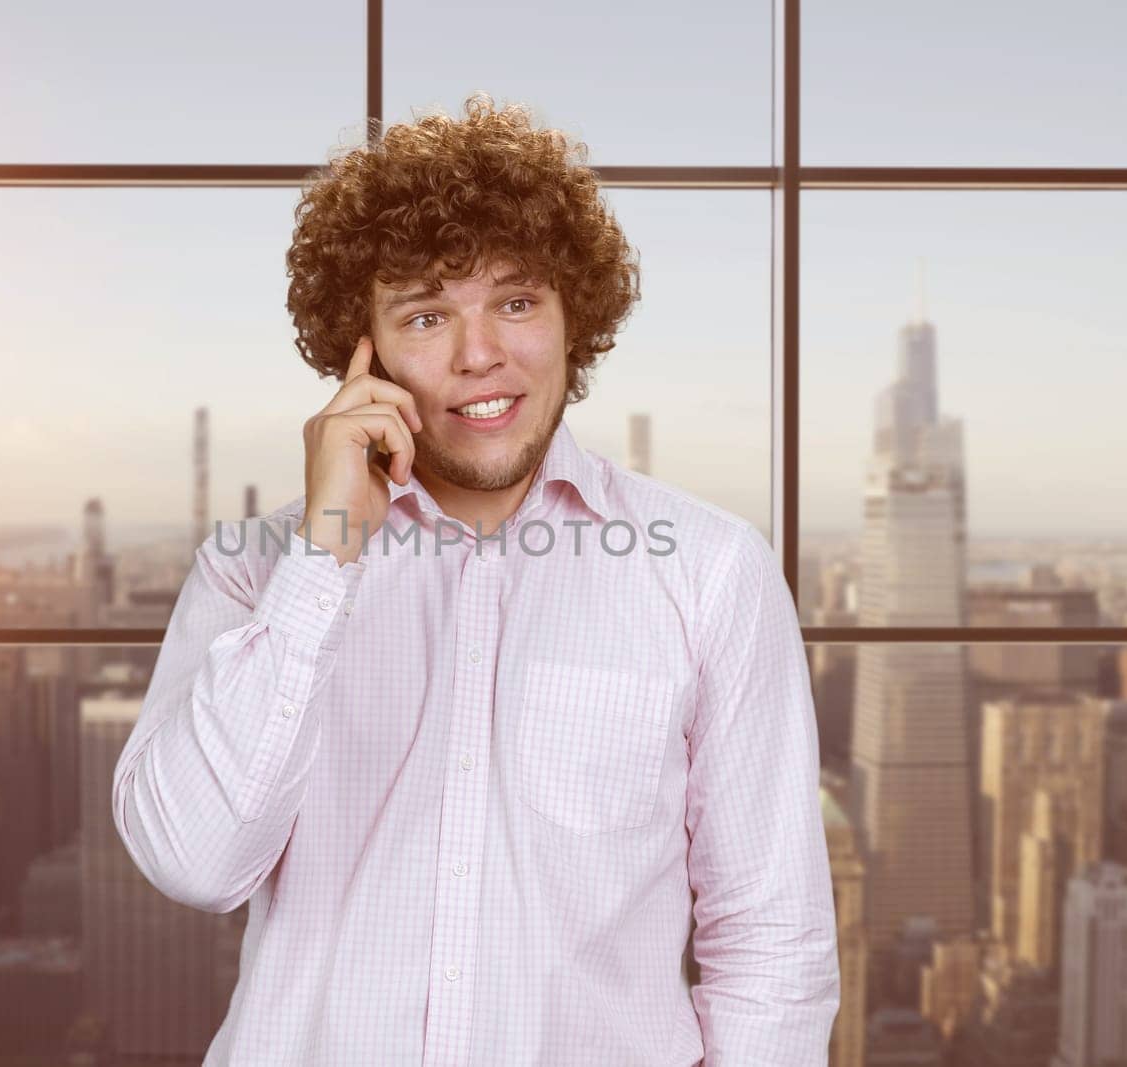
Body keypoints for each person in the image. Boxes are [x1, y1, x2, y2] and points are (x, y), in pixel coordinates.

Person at [111, 92, 840, 1066]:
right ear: (357, 351)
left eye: (515, 299)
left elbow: (770, 945)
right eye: (426, 313)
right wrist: (325, 555)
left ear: (571, 314)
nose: (481, 354)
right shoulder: (256, 567)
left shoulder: (708, 573)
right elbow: (194, 860)